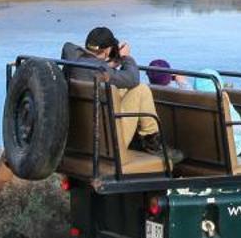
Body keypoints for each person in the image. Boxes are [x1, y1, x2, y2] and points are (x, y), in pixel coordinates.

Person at [59, 26, 168, 161]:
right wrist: (127, 58)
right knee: (141, 89)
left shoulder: (71, 62)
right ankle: (151, 142)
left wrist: (109, 66)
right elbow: (133, 79)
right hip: (109, 142)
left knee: (121, 90)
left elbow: (95, 70)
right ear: (107, 50)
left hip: (80, 138)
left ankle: (147, 141)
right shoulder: (99, 69)